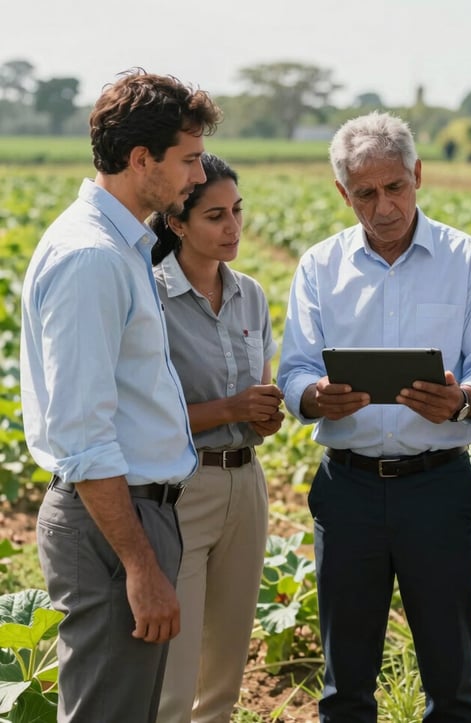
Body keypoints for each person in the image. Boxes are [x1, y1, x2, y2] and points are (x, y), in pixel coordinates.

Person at [277, 110, 471, 722]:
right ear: (342, 193)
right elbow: (296, 369)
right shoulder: (319, 267)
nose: (384, 206)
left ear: (418, 174)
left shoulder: (468, 260)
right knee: (345, 683)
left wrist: (462, 400)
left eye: (395, 188)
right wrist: (314, 397)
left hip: (438, 486)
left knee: (453, 678)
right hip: (347, 488)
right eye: (365, 193)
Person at [19, 70, 221, 723]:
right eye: (188, 160)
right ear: (141, 160)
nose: (198, 176)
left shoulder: (124, 243)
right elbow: (83, 433)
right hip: (112, 520)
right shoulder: (94, 257)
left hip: (129, 512)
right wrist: (140, 563)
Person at [148, 153, 284, 722]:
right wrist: (230, 407)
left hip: (246, 484)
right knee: (176, 679)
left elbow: (262, 391)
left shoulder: (250, 294)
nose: (232, 228)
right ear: (177, 223)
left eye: (237, 212)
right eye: (214, 216)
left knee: (227, 669)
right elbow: (147, 415)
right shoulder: (149, 297)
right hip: (182, 490)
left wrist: (265, 416)